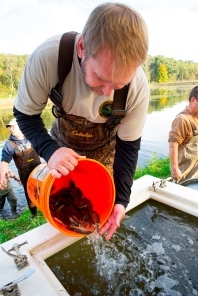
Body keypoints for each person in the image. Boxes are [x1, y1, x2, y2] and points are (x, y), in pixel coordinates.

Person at [13, 3, 149, 239]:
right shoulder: (47, 58)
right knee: (56, 205)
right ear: (82, 47)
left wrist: (121, 200)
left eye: (118, 85)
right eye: (101, 78)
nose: (107, 92)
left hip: (107, 149)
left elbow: (128, 147)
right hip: (61, 145)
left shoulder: (138, 88)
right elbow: (26, 114)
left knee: (97, 214)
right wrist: (50, 150)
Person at [0, 119, 41, 217]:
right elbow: (4, 161)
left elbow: (43, 147)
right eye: (10, 127)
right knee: (30, 194)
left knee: (45, 189)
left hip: (39, 170)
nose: (11, 129)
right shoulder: (9, 145)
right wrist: (2, 177)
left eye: (13, 126)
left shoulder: (31, 136)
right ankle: (34, 215)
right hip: (25, 174)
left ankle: (48, 208)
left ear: (21, 126)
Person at [168, 85, 198, 183]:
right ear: (193, 100)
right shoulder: (182, 119)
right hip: (185, 176)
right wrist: (175, 169)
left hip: (196, 174)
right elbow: (173, 144)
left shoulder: (197, 117)